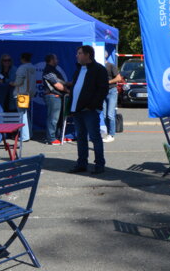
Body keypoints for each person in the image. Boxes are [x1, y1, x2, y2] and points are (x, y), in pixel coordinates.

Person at [67, 45, 109, 175]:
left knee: (95, 137)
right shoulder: (79, 69)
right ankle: (81, 163)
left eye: (79, 53)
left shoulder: (99, 70)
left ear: (88, 55)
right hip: (77, 110)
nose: (77, 55)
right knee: (80, 138)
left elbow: (102, 90)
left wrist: (91, 106)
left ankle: (99, 165)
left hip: (89, 110)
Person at [42, 53, 69, 145]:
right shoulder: (48, 71)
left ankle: (59, 136)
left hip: (58, 97)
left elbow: (61, 82)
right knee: (53, 118)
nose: (57, 61)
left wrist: (69, 84)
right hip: (53, 96)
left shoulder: (54, 70)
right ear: (51, 60)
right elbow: (57, 85)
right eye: (56, 59)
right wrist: (68, 91)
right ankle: (51, 138)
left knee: (58, 118)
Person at [11, 52, 36, 142]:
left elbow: (18, 82)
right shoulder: (33, 68)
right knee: (25, 114)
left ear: (22, 59)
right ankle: (29, 133)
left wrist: (12, 83)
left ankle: (25, 136)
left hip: (21, 94)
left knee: (22, 115)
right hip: (29, 93)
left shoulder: (22, 68)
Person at [102, 55, 122, 143]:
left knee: (110, 114)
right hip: (102, 92)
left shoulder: (111, 66)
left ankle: (112, 134)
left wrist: (108, 82)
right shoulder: (98, 67)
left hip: (111, 91)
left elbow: (118, 78)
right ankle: (109, 133)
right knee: (105, 115)